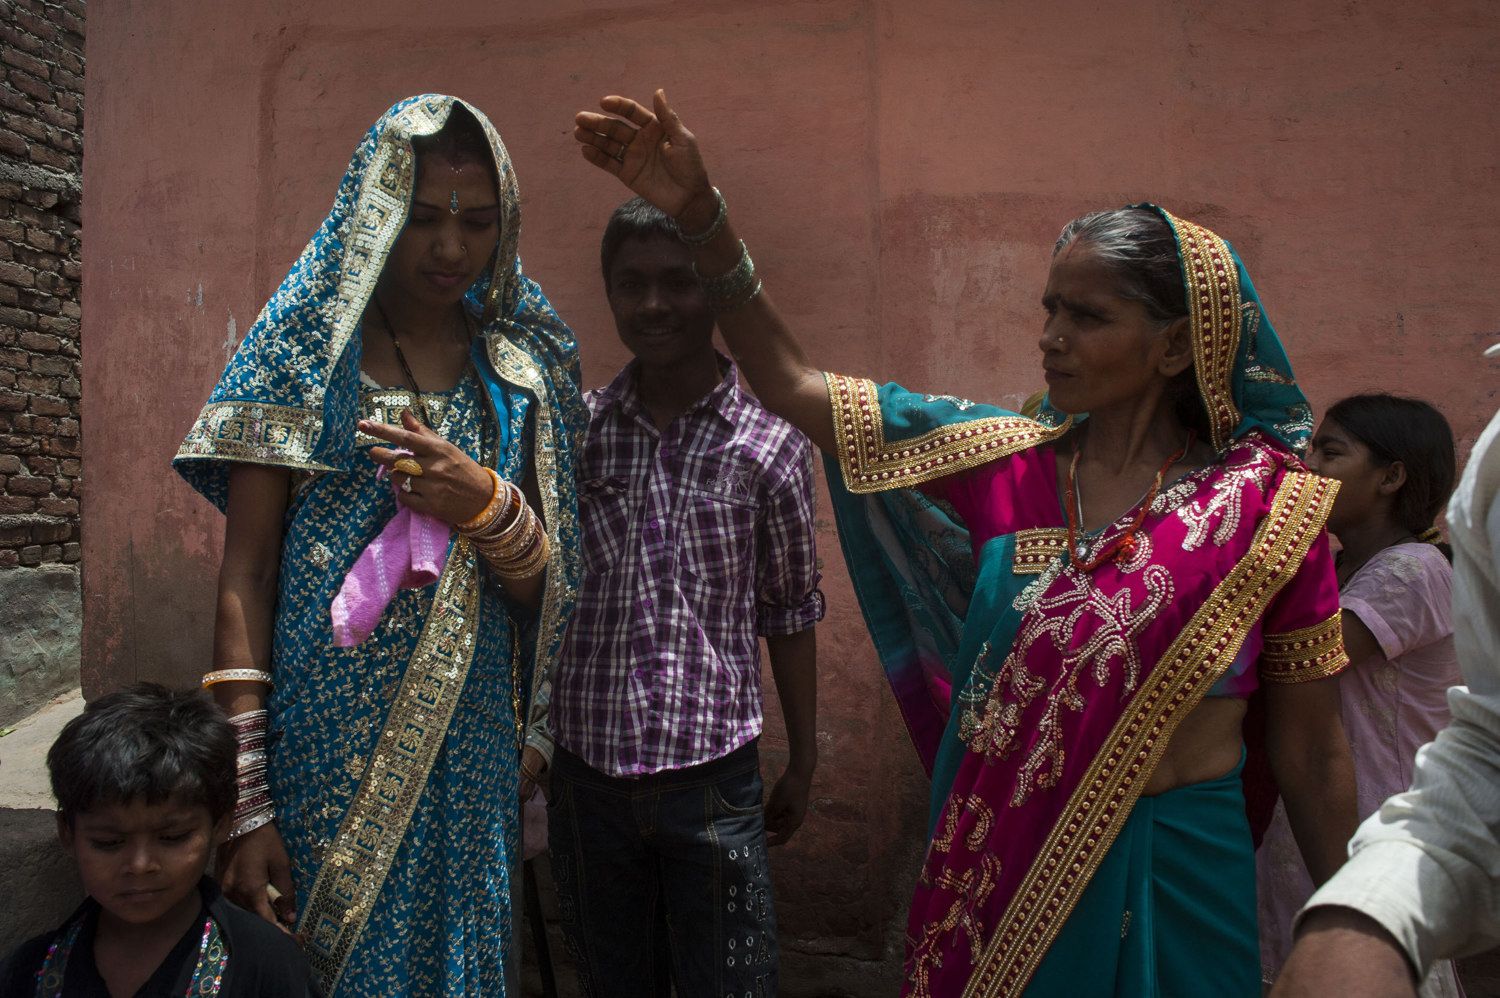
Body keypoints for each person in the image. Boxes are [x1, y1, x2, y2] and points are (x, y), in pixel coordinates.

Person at [571, 90, 1359, 997]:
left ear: (1177, 345)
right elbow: (789, 384)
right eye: (1049, 309)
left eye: (1088, 318)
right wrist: (703, 220)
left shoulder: (1269, 516)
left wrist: (1355, 932)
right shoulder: (1005, 468)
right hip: (1008, 873)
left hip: (1187, 869)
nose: (1050, 338)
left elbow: (1311, 755)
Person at [173, 96, 585, 997]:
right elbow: (245, 573)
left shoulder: (519, 372)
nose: (450, 249)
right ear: (376, 211)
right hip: (318, 741)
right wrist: (245, 803)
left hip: (471, 741)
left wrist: (486, 505)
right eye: (423, 219)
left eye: (478, 223)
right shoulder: (305, 355)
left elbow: (555, 590)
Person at [544, 197, 823, 998]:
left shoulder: (768, 443)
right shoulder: (578, 432)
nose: (654, 304)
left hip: (713, 782)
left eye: (679, 282)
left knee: (729, 985)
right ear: (610, 294)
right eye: (631, 284)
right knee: (612, 981)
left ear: (716, 293)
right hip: (585, 776)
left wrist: (803, 759)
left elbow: (790, 609)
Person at [1271, 389, 1500, 998]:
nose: (1308, 467)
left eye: (1331, 452)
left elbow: (1308, 657)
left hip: (1372, 816)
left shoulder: (1414, 569)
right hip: (1317, 816)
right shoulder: (1343, 568)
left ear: (1391, 476)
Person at [0, 683, 321, 997]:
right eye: (109, 842)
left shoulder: (266, 966)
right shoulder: (29, 973)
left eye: (172, 838)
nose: (140, 865)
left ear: (220, 824)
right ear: (67, 834)